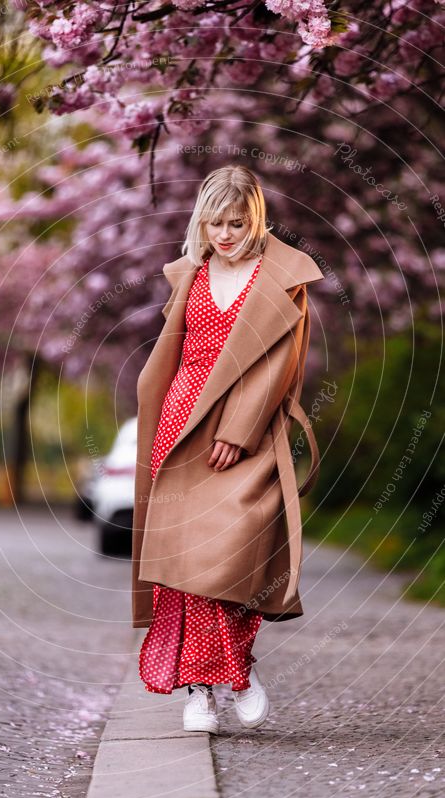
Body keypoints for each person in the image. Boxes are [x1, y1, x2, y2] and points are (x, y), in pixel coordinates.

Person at [134, 164, 323, 735]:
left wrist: (238, 431)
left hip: (246, 427)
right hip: (181, 423)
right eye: (213, 222)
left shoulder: (282, 278)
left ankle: (237, 669)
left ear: (256, 218)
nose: (223, 234)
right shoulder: (189, 273)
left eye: (235, 222)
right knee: (180, 565)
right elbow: (174, 354)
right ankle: (200, 694)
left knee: (232, 557)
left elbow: (280, 365)